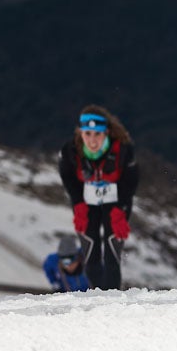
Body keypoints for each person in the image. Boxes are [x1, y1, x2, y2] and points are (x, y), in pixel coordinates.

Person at [57, 106, 139, 291]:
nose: (92, 141)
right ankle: (99, 296)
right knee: (91, 253)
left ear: (107, 133)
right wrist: (78, 204)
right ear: (80, 133)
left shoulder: (123, 150)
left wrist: (120, 209)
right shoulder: (70, 152)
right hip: (86, 204)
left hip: (116, 203)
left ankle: (113, 297)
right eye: (87, 134)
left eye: (98, 134)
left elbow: (131, 181)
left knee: (112, 255)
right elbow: (68, 178)